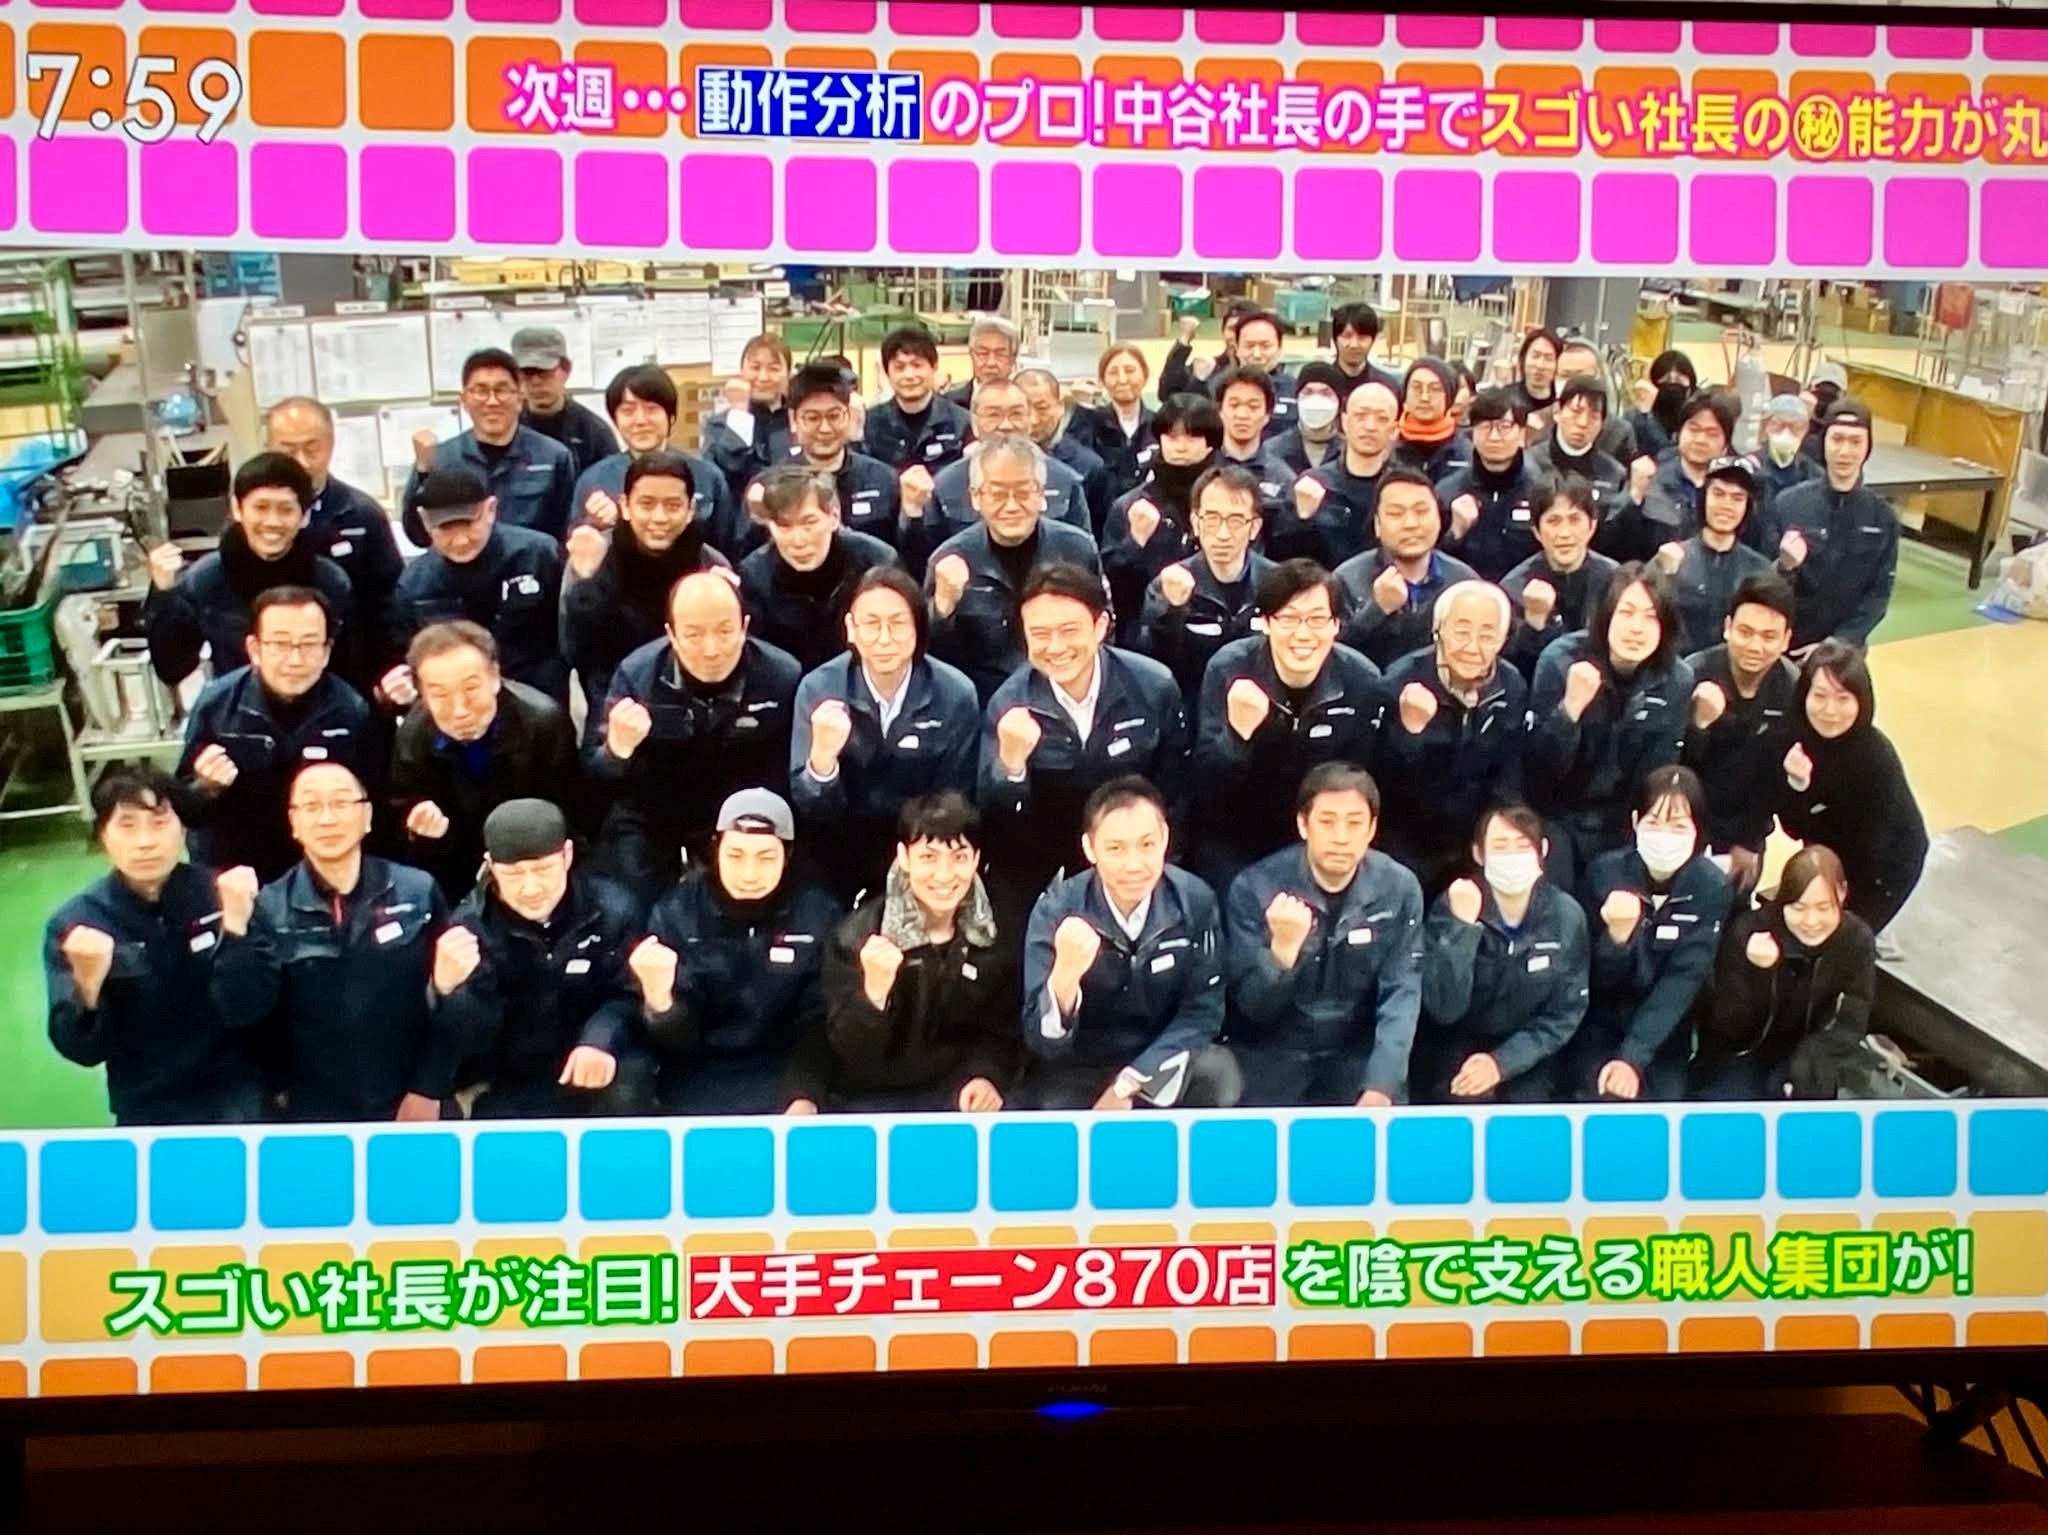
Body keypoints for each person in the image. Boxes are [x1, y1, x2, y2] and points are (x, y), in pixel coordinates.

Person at [210, 761, 456, 1122]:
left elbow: (453, 999)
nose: (327, 819)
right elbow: (242, 1011)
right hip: (313, 1109)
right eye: (311, 806)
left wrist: (428, 1089)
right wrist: (234, 928)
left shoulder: (419, 891)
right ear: (294, 823)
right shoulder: (268, 907)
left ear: (367, 816)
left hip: (415, 1100)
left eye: (341, 803)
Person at [45, 765, 265, 1125]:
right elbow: (82, 1052)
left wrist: (236, 929)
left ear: (184, 830)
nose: (145, 842)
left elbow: (254, 1007)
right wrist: (85, 988)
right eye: (127, 825)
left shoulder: (224, 895)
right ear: (103, 836)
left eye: (160, 823)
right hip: (147, 1104)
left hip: (236, 1093)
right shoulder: (77, 923)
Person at [792, 790, 1021, 1111]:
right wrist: (872, 995)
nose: (944, 875)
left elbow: (1001, 1029)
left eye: (959, 857)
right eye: (928, 857)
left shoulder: (995, 933)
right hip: (867, 1098)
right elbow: (843, 1050)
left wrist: (985, 1075)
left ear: (976, 860)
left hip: (955, 1094)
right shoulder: (855, 937)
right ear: (903, 857)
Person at [1021, 777, 1239, 1109]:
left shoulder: (1195, 899)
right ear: (1090, 848)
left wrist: (1132, 1082)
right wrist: (1065, 976)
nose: (1134, 865)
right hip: (1080, 1065)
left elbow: (1203, 1010)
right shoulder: (1056, 909)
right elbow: (1042, 1042)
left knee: (1220, 1073)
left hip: (1158, 1059)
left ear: (1165, 839)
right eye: (1116, 848)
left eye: (1147, 844)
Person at [979, 563, 1186, 911]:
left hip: (1135, 855)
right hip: (1044, 863)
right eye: (1040, 634)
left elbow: (1175, 794)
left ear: (1100, 625)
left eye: (1069, 630)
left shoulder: (1154, 687)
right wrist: (1010, 769)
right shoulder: (1008, 704)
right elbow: (998, 825)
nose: (1055, 647)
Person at [588, 571, 800, 900]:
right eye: (694, 634)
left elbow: (792, 777)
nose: (711, 649)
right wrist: (617, 751)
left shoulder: (782, 676)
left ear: (744, 628)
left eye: (725, 631)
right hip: (654, 812)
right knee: (625, 898)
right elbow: (595, 778)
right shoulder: (637, 676)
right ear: (671, 635)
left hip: (743, 814)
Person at [1224, 763, 1424, 1106]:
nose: (1341, 837)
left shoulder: (1400, 888)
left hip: (1356, 1053)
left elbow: (1402, 992)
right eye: (1327, 822)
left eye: (1354, 823)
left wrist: (1382, 1083)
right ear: (1303, 824)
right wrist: (1282, 954)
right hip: (1273, 1051)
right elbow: (1250, 1008)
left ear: (1372, 828)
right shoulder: (1254, 887)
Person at [634, 789, 843, 1113]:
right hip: (696, 1076)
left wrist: (805, 1094)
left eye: (766, 858)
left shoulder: (819, 913)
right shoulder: (675, 912)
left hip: (785, 1073)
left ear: (787, 855)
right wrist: (661, 1002)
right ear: (716, 849)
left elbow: (818, 1020)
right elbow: (678, 1041)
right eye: (735, 855)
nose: (749, 874)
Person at [432, 799, 643, 1117]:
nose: (530, 888)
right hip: (507, 1075)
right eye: (513, 874)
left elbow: (629, 994)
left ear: (567, 855)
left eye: (543, 870)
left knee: (631, 1080)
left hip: (591, 1058)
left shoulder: (615, 908)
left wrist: (601, 1038)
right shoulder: (469, 930)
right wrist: (449, 990)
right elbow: (473, 1039)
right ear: (490, 866)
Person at [1187, 560, 1381, 889]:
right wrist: (1238, 737)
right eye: (1288, 618)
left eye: (1317, 619)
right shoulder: (1229, 669)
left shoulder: (1361, 679)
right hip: (1237, 833)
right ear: (1265, 622)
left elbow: (1364, 778)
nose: (1303, 634)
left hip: (1321, 833)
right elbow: (1205, 789)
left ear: (1336, 625)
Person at [791, 567, 979, 903]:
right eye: (871, 624)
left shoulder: (955, 694)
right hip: (836, 847)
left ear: (918, 628)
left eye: (897, 623)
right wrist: (822, 762)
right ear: (851, 629)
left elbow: (955, 800)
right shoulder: (818, 688)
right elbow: (809, 805)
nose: (884, 639)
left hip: (920, 846)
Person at [175, 588, 377, 883]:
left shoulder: (351, 711)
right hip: (236, 869)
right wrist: (206, 788)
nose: (295, 660)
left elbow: (372, 807)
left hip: (319, 870)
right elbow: (184, 808)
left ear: (326, 652)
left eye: (309, 644)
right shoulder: (216, 706)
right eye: (281, 644)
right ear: (254, 649)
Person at [1526, 564, 1693, 893]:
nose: (1636, 628)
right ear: (1605, 616)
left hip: (1623, 823)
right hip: (1556, 816)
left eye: (1650, 617)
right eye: (1626, 613)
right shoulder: (1559, 660)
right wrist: (1569, 711)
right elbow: (1537, 774)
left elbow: (1658, 776)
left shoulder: (1676, 679)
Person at [1569, 766, 1732, 1101]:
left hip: (1664, 1031)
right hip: (1601, 1022)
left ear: (1698, 831)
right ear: (1635, 822)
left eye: (1679, 826)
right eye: (1654, 822)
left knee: (1660, 1102)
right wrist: (1617, 941)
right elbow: (1590, 976)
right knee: (1599, 1094)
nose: (1664, 836)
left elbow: (1684, 978)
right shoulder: (1604, 872)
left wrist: (1633, 1057)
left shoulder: (1712, 887)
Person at [387, 622, 578, 900]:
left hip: (530, 861)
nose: (459, 709)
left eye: (471, 688)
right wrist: (427, 835)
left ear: (495, 678)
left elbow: (570, 816)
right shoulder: (413, 738)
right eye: (440, 694)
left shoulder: (543, 723)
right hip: (457, 868)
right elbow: (406, 829)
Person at [1415, 805, 1590, 1103]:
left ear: (1542, 851)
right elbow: (1444, 1008)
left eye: (1523, 846)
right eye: (1500, 846)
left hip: (1531, 1048)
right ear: (1479, 854)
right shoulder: (1453, 904)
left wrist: (1502, 1063)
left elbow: (1565, 1011)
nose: (1512, 856)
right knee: (1461, 1096)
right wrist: (1461, 928)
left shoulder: (1566, 915)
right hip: (1459, 1044)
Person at [144, 452, 353, 689]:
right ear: (237, 508)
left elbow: (348, 670)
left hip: (317, 706)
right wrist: (164, 594)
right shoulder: (205, 579)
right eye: (261, 507)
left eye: (286, 510)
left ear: (304, 515)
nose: (272, 522)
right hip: (235, 706)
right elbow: (171, 669)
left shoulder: (331, 581)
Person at [925, 432, 1103, 701]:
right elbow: (934, 662)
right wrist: (942, 609)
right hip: (984, 701)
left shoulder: (1078, 549)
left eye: (1023, 492)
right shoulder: (948, 560)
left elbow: (1102, 632)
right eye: (998, 494)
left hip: (1064, 693)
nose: (1011, 506)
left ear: (1041, 494)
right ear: (975, 497)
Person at [1375, 581, 1525, 893]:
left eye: (1487, 636)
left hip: (1475, 835)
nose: (1472, 647)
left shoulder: (1511, 685)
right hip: (1407, 837)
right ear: (1438, 630)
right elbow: (1384, 786)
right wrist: (1410, 733)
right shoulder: (1399, 682)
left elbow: (1509, 776)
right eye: (1462, 631)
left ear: (1502, 641)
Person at [1692, 844, 1875, 1101]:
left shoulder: (1857, 940)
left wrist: (1805, 1063)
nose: (1811, 921)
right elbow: (1725, 1028)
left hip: (1813, 1053)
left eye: (1824, 908)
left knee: (1809, 1095)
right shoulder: (1747, 932)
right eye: (1799, 908)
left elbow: (1850, 1020)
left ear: (1842, 893)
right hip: (1744, 1052)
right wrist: (1757, 972)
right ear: (1783, 899)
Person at [561, 449, 730, 726]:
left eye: (673, 506)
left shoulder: (709, 565)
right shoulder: (595, 554)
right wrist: (586, 583)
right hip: (613, 700)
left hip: (689, 705)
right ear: (625, 506)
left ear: (690, 511)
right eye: (647, 504)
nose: (659, 518)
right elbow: (574, 651)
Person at [1778, 640, 1927, 935]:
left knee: (1846, 939)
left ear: (1862, 701)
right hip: (1830, 856)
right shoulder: (1795, 742)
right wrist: (1798, 785)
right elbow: (1794, 829)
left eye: (1843, 698)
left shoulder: (1876, 756)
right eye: (1819, 696)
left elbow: (1872, 849)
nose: (1830, 710)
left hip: (1886, 866)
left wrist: (1840, 914)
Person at [386, 464, 567, 706]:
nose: (460, 540)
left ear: (490, 510)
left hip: (538, 702)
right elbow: (409, 660)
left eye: (469, 524)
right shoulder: (414, 585)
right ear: (425, 521)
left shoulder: (539, 555)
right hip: (459, 708)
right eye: (446, 529)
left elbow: (572, 633)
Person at [263, 397, 402, 693]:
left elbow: (388, 604)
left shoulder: (362, 514)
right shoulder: (254, 522)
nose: (302, 462)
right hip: (272, 676)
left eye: (312, 449)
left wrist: (388, 676)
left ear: (331, 445)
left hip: (351, 676)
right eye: (288, 450)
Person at [1682, 575, 1799, 897]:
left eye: (1769, 636)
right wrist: (1698, 726)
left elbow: (1775, 782)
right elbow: (1671, 766)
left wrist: (1750, 841)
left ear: (1786, 639)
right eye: (1745, 632)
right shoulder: (1691, 675)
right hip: (1687, 820)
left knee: (1735, 905)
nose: (1755, 647)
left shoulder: (1793, 690)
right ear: (1727, 627)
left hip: (1746, 828)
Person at [1138, 464, 1276, 711]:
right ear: (1196, 522)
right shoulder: (1166, 584)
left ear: (1254, 527)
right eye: (1212, 519)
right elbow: (1154, 667)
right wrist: (1172, 611)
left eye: (1236, 520)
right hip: (1192, 711)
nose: (1223, 534)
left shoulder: (1276, 583)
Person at [403, 348, 575, 542]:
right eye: (481, 391)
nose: (492, 402)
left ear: (520, 398)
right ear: (464, 400)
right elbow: (417, 535)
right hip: (463, 559)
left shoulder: (554, 456)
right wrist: (423, 472)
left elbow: (564, 534)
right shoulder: (440, 458)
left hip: (529, 560)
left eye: (501, 390)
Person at [737, 465, 898, 671]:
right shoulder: (754, 577)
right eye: (784, 526)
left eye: (809, 523)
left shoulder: (877, 562)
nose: (798, 541)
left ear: (834, 517)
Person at [569, 365, 741, 557]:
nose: (640, 421)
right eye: (628, 411)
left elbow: (727, 549)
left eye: (651, 409)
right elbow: (575, 555)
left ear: (671, 417)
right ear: (615, 420)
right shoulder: (594, 480)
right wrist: (593, 525)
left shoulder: (707, 476)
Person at [1772, 398, 1899, 649]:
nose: (1844, 451)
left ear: (1868, 447)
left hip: (1845, 652)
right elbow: (1765, 583)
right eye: (1837, 439)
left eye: (1855, 441)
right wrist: (1784, 567)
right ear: (1823, 442)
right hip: (1788, 646)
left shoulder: (1883, 519)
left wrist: (1838, 644)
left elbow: (1878, 594)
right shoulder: (1788, 505)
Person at [1101, 393, 1223, 644]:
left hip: (1215, 629)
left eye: (1192, 437)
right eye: (1172, 436)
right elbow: (1112, 585)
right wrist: (1134, 542)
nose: (1180, 446)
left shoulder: (1229, 500)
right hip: (1146, 635)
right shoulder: (1131, 505)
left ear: (1210, 444)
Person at [1334, 468, 1478, 669]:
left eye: (1421, 512)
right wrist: (1376, 610)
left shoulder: (1464, 583)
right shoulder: (1346, 580)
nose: (1410, 524)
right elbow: (1333, 657)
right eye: (1396, 513)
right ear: (1377, 524)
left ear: (1439, 519)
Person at [926, 377, 1092, 544]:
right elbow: (931, 552)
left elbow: (1082, 547)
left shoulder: (1065, 481)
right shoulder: (946, 484)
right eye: (993, 415)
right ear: (974, 420)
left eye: (1016, 414)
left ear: (1029, 418)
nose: (1006, 425)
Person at [756, 363, 901, 549]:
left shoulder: (883, 479)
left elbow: (903, 553)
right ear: (793, 420)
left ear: (848, 415)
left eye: (834, 416)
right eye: (813, 418)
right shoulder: (769, 486)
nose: (825, 429)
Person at [1659, 455, 1789, 655]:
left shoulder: (1759, 570)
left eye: (1737, 498)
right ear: (1704, 498)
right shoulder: (1672, 558)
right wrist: (1664, 578)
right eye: (1718, 494)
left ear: (1748, 507)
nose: (1726, 505)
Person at [1604, 391, 1747, 564]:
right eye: (1694, 429)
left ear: (1726, 444)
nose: (1700, 440)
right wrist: (1634, 497)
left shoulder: (1739, 490)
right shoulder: (1651, 479)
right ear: (1679, 433)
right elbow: (1612, 545)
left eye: (1712, 433)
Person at [1500, 473, 1619, 681]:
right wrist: (1534, 625)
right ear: (1536, 531)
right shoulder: (1513, 588)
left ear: (1592, 526)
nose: (1564, 533)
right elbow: (1514, 673)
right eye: (1553, 521)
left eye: (1574, 520)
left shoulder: (1615, 581)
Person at [1279, 377, 1398, 567]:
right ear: (1344, 421)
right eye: (1361, 415)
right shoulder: (1312, 484)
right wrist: (1301, 518)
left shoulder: (1402, 488)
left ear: (1393, 430)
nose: (1370, 426)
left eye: (1381, 418)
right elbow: (1284, 556)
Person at [1436, 388, 1540, 582]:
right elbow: (1431, 563)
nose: (1494, 437)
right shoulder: (1447, 492)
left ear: (1521, 433)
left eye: (1504, 426)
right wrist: (1454, 533)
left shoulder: (1541, 492)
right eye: (1484, 426)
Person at [864, 322, 971, 475]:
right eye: (899, 367)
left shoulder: (961, 422)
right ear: (887, 372)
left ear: (934, 367)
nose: (909, 375)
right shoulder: (870, 424)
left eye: (917, 365)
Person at [510, 325, 616, 476]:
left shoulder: (594, 432)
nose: (536, 382)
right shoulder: (506, 429)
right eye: (526, 373)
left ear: (566, 370)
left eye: (544, 372)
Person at [1525, 375, 1640, 512]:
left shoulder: (1614, 474)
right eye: (1576, 411)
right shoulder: (1528, 465)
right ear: (1557, 411)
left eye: (1594, 416)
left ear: (1602, 424)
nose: (1583, 423)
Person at [704, 332, 793, 505]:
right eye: (755, 367)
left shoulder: (799, 420)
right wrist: (740, 412)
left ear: (789, 374)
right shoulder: (719, 425)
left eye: (774, 369)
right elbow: (731, 468)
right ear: (742, 371)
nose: (763, 377)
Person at [1017, 366, 1111, 530]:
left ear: (1060, 407)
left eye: (1042, 408)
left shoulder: (1088, 466)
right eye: (1022, 409)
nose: (1033, 420)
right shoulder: (991, 461)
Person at [1071, 342, 1158, 502]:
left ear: (1145, 375)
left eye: (1130, 371)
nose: (1122, 380)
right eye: (1113, 373)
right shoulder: (1089, 421)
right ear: (1102, 381)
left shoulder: (1159, 425)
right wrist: (1082, 408)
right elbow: (1074, 460)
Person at [1210, 366, 1296, 524]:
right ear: (1220, 411)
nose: (1242, 415)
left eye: (1253, 406)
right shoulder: (1203, 469)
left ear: (1267, 415)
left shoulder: (1282, 477)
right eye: (1234, 405)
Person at [1551, 340, 1639, 463]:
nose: (1572, 382)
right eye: (1565, 375)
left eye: (1579, 376)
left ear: (1597, 377)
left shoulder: (1618, 433)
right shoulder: (1537, 426)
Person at [1221, 311, 1298, 438]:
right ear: (1236, 348)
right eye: (1249, 346)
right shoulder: (1219, 387)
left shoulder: (1295, 390)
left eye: (1265, 346)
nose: (1257, 354)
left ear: (1279, 347)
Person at [1391, 357, 1469, 481]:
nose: (1424, 397)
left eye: (1435, 389)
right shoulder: (1387, 445)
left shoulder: (1465, 453)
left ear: (1449, 397)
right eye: (1417, 387)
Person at [1264, 362, 1346, 479]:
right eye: (1308, 392)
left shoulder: (1348, 452)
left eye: (1326, 393)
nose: (1316, 400)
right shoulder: (1272, 450)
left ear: (1339, 402)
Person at [1756, 393, 1822, 515]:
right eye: (1779, 425)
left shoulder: (1814, 475)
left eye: (1794, 427)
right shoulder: (1750, 467)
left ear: (1805, 430)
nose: (1786, 433)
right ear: (1766, 426)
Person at [1629, 349, 1698, 463]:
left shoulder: (1697, 415)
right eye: (1666, 379)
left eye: (1679, 379)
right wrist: (1646, 414)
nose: (1672, 384)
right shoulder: (1635, 416)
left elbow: (1671, 453)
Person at [1331, 301, 1402, 401]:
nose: (1354, 345)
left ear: (1373, 340)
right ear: (1335, 339)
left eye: (1362, 337)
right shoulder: (1321, 386)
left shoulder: (1387, 387)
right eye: (1347, 336)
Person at [944, 314, 1020, 408]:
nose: (991, 363)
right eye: (983, 353)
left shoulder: (1026, 401)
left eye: (1000, 354)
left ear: (1013, 358)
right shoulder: (947, 404)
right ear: (972, 354)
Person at [1511, 328, 1562, 430]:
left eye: (1548, 359)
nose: (1540, 365)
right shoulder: (1505, 401)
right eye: (1535, 356)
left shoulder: (1562, 405)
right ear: (1523, 359)